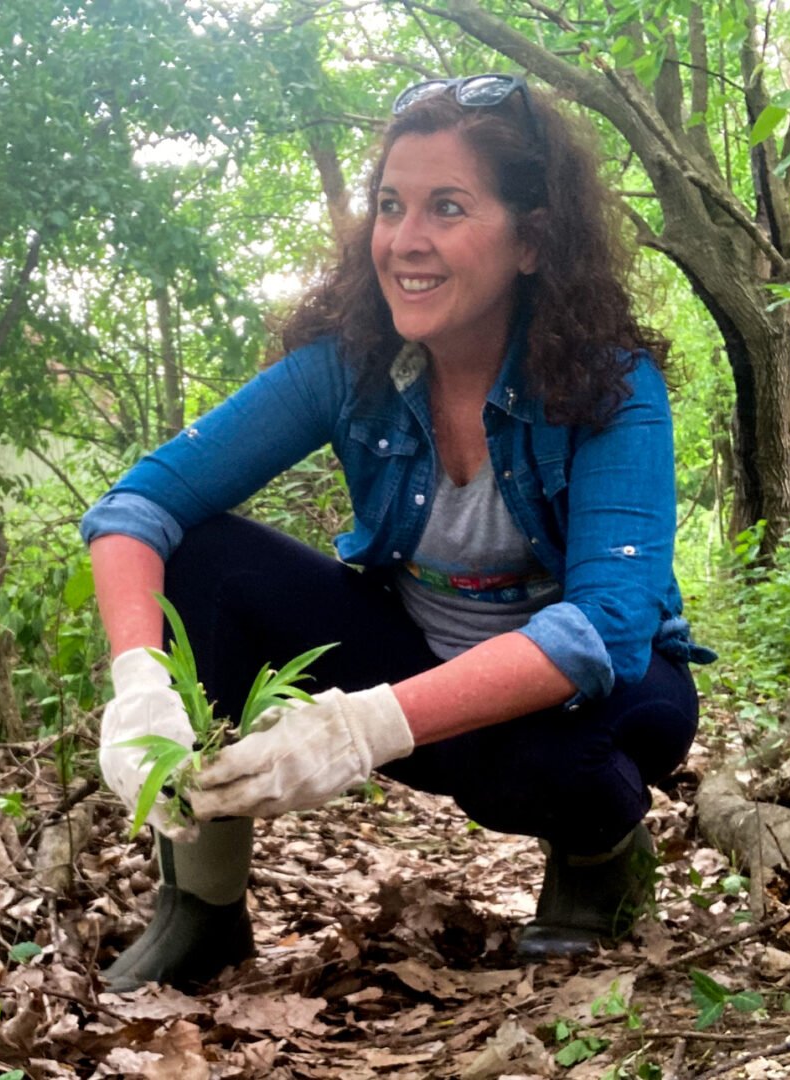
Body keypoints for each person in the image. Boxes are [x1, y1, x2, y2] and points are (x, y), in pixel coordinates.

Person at [81, 74, 711, 993]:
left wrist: (361, 726)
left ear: (530, 240)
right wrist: (137, 681)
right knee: (206, 559)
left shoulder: (610, 382)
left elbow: (606, 628)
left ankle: (600, 859)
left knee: (536, 762)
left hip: (596, 699)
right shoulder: (350, 366)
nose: (404, 242)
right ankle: (201, 909)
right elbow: (137, 508)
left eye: (446, 209)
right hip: (420, 660)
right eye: (390, 206)